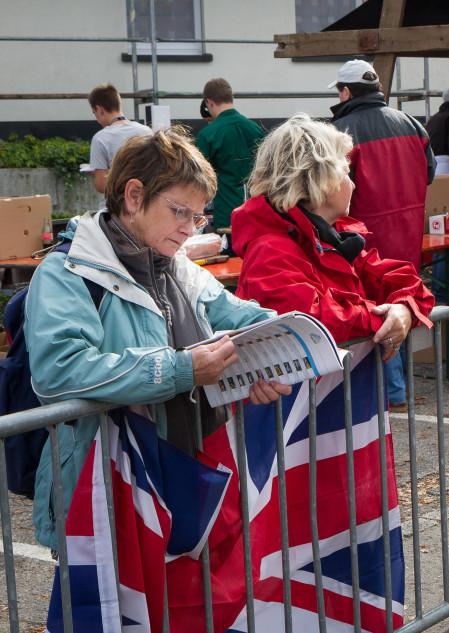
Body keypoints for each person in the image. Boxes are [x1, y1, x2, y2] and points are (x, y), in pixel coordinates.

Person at [24, 127, 290, 551]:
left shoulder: (177, 266)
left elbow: (239, 315)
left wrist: (279, 343)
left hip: (184, 481)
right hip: (105, 494)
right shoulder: (68, 271)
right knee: (111, 595)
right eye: (181, 212)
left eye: (198, 217)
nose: (190, 230)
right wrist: (180, 369)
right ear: (133, 196)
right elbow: (59, 371)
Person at [231, 113, 435, 366]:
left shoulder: (334, 238)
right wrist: (382, 318)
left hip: (341, 386)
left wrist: (404, 308)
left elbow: (404, 281)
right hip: (305, 390)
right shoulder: (270, 249)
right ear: (323, 180)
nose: (353, 185)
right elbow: (309, 321)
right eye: (347, 173)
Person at [329, 59, 435, 413]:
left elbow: (331, 191)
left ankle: (392, 391)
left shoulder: (339, 133)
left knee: (376, 311)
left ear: (346, 92)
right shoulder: (412, 124)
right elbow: (429, 173)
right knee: (403, 302)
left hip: (364, 241)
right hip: (408, 235)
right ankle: (398, 389)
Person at [196, 77, 266, 230]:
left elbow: (197, 178)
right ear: (232, 98)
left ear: (209, 102)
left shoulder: (207, 135)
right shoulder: (255, 129)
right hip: (257, 212)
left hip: (227, 215)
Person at [87, 83, 152, 208]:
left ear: (99, 109)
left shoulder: (101, 138)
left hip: (115, 209)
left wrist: (99, 172)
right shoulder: (147, 132)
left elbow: (102, 185)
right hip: (143, 205)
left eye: (94, 113)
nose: (97, 119)